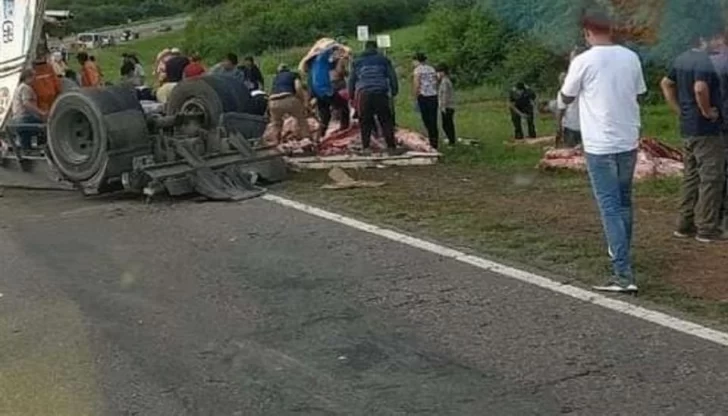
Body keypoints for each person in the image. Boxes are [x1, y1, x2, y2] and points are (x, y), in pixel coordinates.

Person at [560, 11, 646, 293]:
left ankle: (622, 272)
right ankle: (622, 252)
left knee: (609, 206)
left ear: (587, 32)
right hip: (627, 139)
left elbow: (566, 96)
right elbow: (639, 93)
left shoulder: (584, 61)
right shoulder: (630, 57)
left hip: (600, 144)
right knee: (624, 201)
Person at [661, 25, 726, 243]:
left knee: (691, 176)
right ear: (703, 39)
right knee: (711, 177)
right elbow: (700, 88)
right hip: (706, 130)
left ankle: (684, 224)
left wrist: (680, 110)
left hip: (688, 127)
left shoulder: (681, 59)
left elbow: (666, 83)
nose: (720, 43)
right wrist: (707, 111)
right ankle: (707, 228)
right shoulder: (703, 62)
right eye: (717, 39)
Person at [348, 40, 400, 155]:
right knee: (385, 120)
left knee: (365, 121)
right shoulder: (384, 60)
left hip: (364, 94)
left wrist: (351, 95)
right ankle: (391, 147)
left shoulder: (357, 62)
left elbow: (352, 80)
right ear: (376, 48)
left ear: (365, 48)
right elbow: (392, 76)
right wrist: (394, 90)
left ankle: (366, 147)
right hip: (380, 92)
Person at [309, 45, 350, 137]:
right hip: (325, 89)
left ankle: (320, 136)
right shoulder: (321, 58)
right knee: (344, 106)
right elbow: (328, 50)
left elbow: (334, 65)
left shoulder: (314, 64)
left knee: (325, 115)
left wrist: (339, 59)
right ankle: (345, 129)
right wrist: (337, 46)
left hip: (317, 91)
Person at [268, 63, 311, 144]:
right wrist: (303, 102)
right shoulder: (293, 75)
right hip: (288, 98)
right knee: (301, 119)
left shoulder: (275, 78)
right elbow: (298, 87)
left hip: (273, 101)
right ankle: (307, 141)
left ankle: (275, 144)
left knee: (276, 124)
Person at [556, 47, 586, 148]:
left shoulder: (571, 81)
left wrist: (558, 127)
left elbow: (562, 107)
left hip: (575, 126)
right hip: (584, 125)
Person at [11, 69, 46, 150]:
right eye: (34, 77)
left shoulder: (19, 87)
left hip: (17, 119)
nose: (35, 79)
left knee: (26, 141)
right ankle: (44, 148)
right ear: (28, 77)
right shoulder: (25, 88)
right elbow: (26, 103)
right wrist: (41, 112)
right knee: (46, 127)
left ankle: (27, 151)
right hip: (24, 118)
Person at [412, 52, 439, 148]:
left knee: (426, 119)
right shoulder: (431, 69)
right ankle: (435, 141)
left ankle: (431, 138)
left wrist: (415, 96)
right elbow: (436, 81)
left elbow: (417, 83)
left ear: (417, 60)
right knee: (433, 119)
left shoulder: (417, 70)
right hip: (433, 95)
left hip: (423, 96)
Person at [436, 64, 456, 145]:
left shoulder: (445, 82)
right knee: (447, 124)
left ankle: (451, 141)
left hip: (447, 106)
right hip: (448, 106)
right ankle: (450, 139)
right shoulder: (445, 81)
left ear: (442, 72)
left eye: (438, 72)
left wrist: (443, 106)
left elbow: (445, 95)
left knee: (447, 125)